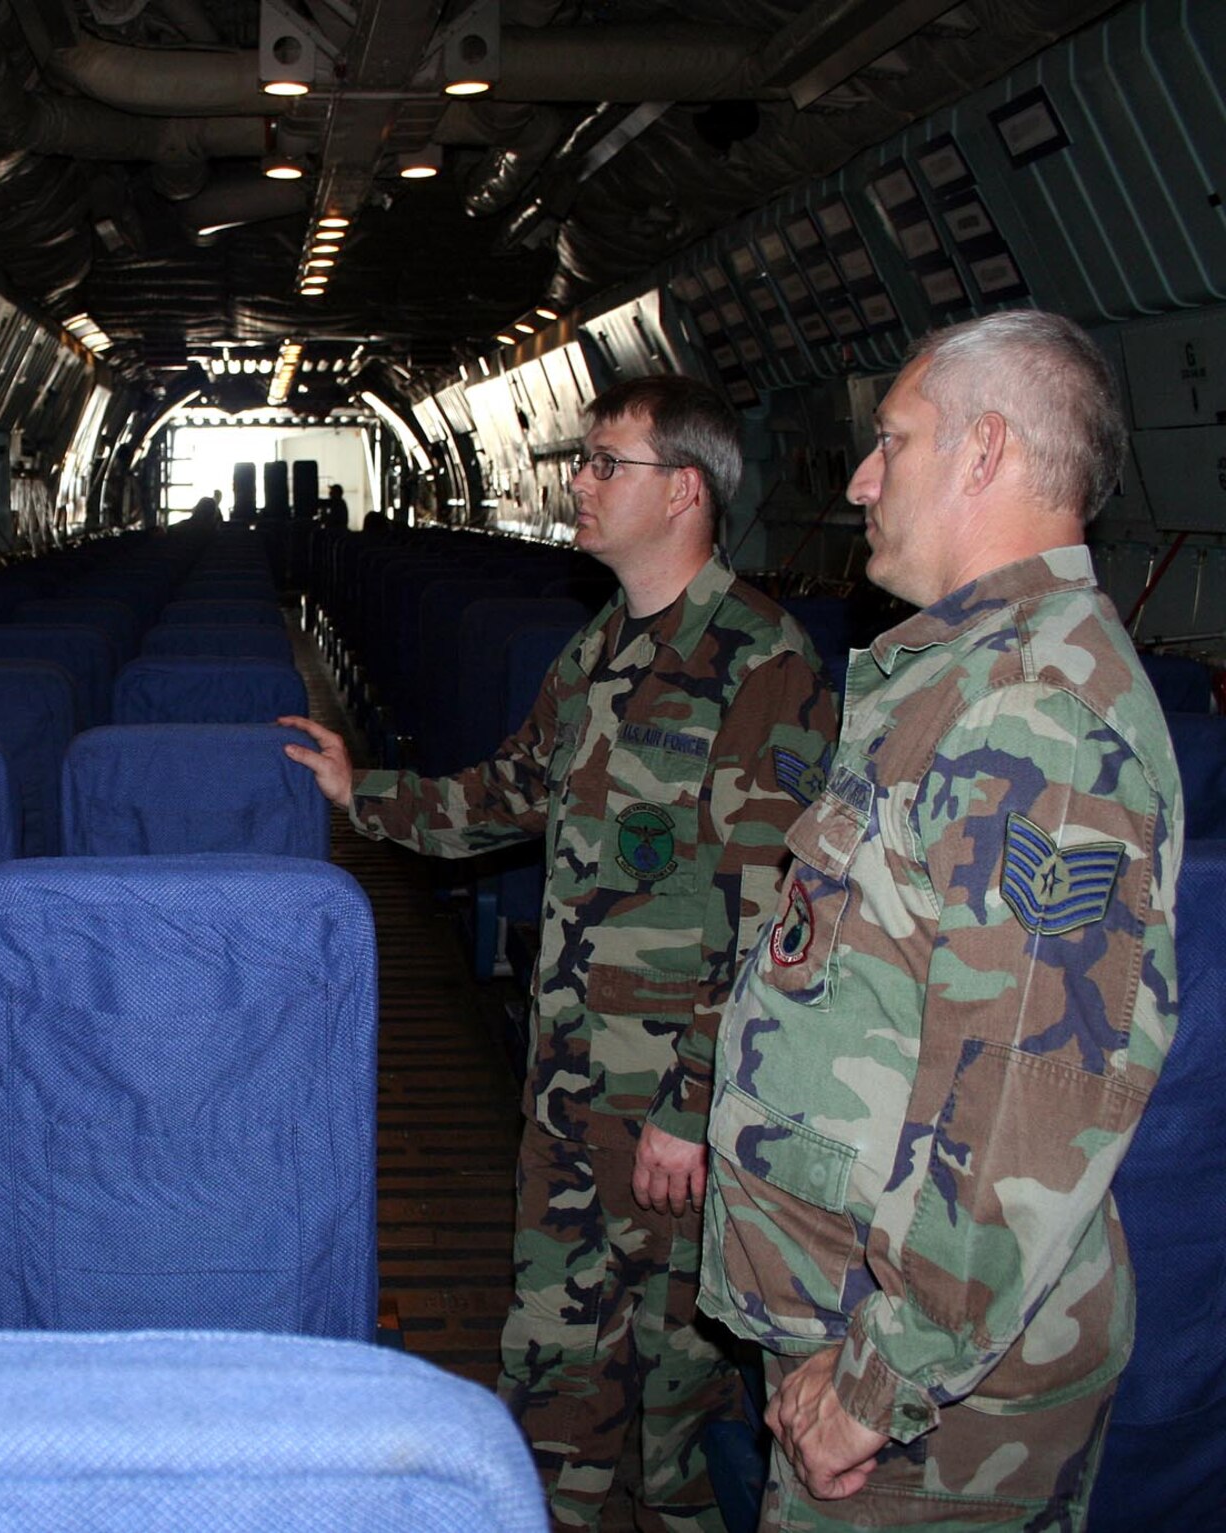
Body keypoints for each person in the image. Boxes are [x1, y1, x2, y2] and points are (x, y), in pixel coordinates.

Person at [284, 373, 838, 1530]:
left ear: (681, 490)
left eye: (602, 463)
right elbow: (508, 793)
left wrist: (692, 1109)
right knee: (550, 1374)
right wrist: (359, 792)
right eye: (580, 461)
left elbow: (774, 915)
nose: (577, 483)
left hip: (672, 1118)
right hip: (570, 1088)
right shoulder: (597, 650)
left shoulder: (759, 663)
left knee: (677, 1413)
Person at [698, 310, 1181, 1531]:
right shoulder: (967, 678)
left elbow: (1034, 1083)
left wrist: (884, 1378)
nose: (859, 479)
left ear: (984, 451)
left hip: (932, 1396)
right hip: (867, 1320)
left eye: (891, 441)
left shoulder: (1031, 711)